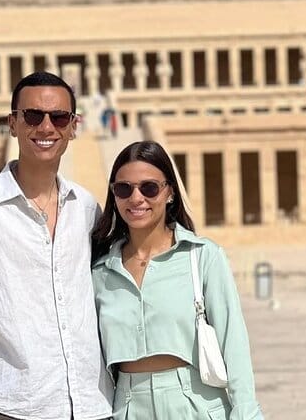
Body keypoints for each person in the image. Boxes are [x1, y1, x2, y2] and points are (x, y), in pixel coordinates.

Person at [0, 71, 113, 420]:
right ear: (13, 123)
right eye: (33, 116)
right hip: (17, 406)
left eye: (58, 117)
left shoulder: (86, 207)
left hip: (92, 406)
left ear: (73, 127)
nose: (46, 127)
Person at [91, 141, 263, 419]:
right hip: (128, 407)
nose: (136, 198)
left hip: (195, 404)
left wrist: (246, 413)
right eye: (124, 189)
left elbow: (234, 343)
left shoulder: (203, 256)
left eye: (149, 188)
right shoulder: (100, 272)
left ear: (169, 191)